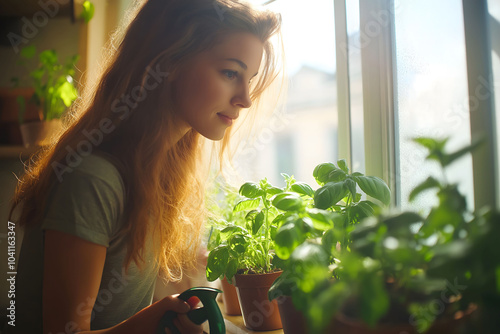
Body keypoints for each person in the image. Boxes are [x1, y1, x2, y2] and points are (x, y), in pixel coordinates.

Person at [7, 0, 282, 333]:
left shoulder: (160, 178)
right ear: (168, 62)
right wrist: (154, 321)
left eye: (249, 79)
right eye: (230, 73)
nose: (245, 98)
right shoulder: (94, 180)